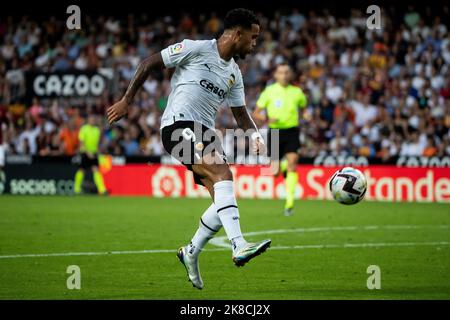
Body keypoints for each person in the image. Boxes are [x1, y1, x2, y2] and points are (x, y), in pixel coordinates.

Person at [107, 8, 271, 290]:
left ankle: (191, 251)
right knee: (223, 175)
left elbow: (241, 116)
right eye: (252, 38)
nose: (254, 44)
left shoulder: (234, 74)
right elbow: (148, 63)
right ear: (237, 34)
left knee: (222, 200)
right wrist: (127, 100)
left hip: (205, 134)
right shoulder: (195, 49)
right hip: (177, 125)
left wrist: (256, 137)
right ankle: (239, 244)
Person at [253, 63, 307, 216]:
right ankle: (282, 166)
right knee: (275, 171)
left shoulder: (297, 92)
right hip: (275, 132)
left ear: (290, 75)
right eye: (281, 72)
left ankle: (289, 204)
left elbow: (303, 109)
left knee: (293, 162)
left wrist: (306, 115)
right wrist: (267, 118)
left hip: (292, 131)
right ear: (276, 75)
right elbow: (256, 113)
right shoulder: (269, 91)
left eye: (286, 72)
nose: (284, 75)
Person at [74, 115, 107, 195]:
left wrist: (99, 152)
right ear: (88, 120)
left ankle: (102, 190)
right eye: (91, 119)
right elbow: (81, 142)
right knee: (82, 170)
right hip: (85, 153)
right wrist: (87, 152)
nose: (93, 120)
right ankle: (76, 189)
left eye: (94, 119)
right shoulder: (84, 129)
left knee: (96, 169)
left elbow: (98, 143)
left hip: (94, 153)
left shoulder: (97, 130)